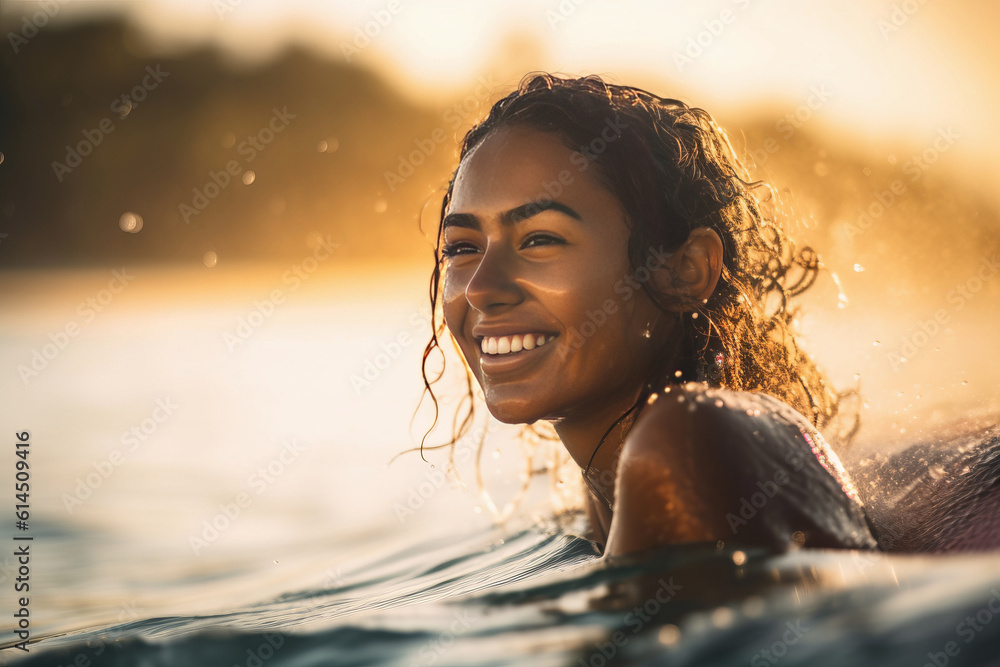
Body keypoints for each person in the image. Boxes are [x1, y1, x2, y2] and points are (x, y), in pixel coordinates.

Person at [420, 73, 878, 558]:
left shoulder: (679, 448)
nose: (481, 289)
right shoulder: (611, 491)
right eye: (463, 247)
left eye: (540, 239)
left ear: (684, 271)